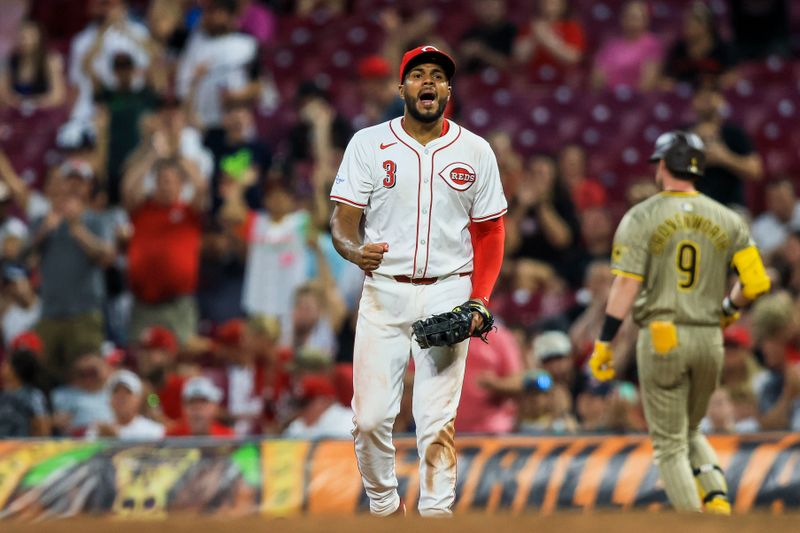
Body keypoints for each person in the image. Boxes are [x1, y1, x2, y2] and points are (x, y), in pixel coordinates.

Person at [329, 45, 507, 516]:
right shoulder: (368, 143)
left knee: (436, 421)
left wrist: (480, 299)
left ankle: (436, 515)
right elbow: (343, 219)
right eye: (418, 74)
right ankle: (385, 507)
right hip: (385, 288)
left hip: (449, 287)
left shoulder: (475, 150)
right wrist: (351, 250)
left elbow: (490, 232)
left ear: (448, 89)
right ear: (401, 87)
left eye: (438, 76)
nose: (428, 82)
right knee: (368, 421)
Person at [588, 131, 771, 514]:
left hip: (663, 337)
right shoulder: (728, 217)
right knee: (689, 431)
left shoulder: (641, 216)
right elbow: (756, 283)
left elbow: (626, 284)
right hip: (709, 337)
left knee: (669, 442)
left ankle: (700, 523)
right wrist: (728, 309)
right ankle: (718, 501)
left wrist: (605, 341)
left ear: (660, 165)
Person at [123, 156, 207, 345]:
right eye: (160, 180)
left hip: (177, 305)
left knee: (182, 354)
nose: (165, 185)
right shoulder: (142, 210)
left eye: (170, 180)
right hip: (143, 304)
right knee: (138, 356)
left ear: (181, 184)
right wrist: (150, 159)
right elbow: (128, 188)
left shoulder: (189, 212)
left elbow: (201, 187)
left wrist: (179, 155)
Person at [689, 82, 763, 209]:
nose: (707, 99)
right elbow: (666, 174)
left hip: (731, 206)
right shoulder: (683, 134)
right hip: (694, 207)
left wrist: (724, 157)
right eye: (701, 95)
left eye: (712, 94)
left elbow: (756, 171)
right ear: (693, 102)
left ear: (721, 100)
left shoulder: (734, 133)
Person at [591, 0, 663, 92]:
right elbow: (597, 77)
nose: (631, 21)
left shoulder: (653, 45)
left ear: (645, 20)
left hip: (637, 99)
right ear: (622, 19)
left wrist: (629, 99)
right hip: (610, 97)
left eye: (635, 18)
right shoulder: (611, 45)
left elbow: (648, 81)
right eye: (628, 16)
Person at [0, 18, 66, 111]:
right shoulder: (12, 60)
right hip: (17, 112)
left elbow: (58, 96)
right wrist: (17, 102)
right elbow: (4, 93)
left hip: (43, 113)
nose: (26, 41)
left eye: (30, 36)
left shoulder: (49, 60)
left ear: (39, 38)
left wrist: (32, 103)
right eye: (22, 36)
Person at [513, 0, 585, 83]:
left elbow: (573, 58)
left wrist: (545, 38)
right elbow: (519, 58)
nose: (549, 4)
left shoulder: (572, 27)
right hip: (533, 81)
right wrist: (534, 36)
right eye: (546, 1)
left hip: (563, 80)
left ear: (563, 5)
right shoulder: (530, 27)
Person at [86, 369, 165, 440]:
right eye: (116, 391)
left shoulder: (154, 431)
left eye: (128, 392)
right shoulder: (98, 430)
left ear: (138, 398)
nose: (121, 397)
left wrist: (115, 439)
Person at [283, 373, 354, 439]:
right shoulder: (297, 427)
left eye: (305, 403)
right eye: (299, 404)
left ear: (325, 401)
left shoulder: (350, 422)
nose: (302, 410)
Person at [0, 349, 51, 437]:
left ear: (16, 369)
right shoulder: (3, 395)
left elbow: (42, 427)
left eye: (6, 364)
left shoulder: (31, 395)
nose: (2, 366)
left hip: (20, 447)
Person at [458, 0, 517, 74]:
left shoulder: (512, 31)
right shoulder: (471, 33)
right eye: (484, 4)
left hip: (505, 82)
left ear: (503, 6)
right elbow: (458, 66)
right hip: (476, 81)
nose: (489, 8)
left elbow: (513, 66)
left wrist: (482, 52)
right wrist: (463, 56)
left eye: (492, 4)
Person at [167, 376, 235, 437]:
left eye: (203, 401)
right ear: (183, 407)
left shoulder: (228, 437)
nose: (197, 407)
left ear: (215, 406)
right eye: (191, 402)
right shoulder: (172, 437)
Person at [750, 178, 800, 257]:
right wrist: (776, 253)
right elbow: (756, 259)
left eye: (782, 199)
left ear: (794, 197)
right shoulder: (759, 227)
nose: (779, 205)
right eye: (773, 200)